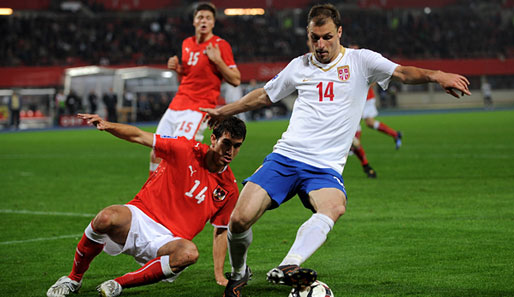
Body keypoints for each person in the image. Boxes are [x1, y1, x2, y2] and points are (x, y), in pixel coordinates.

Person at [200, 4, 470, 297]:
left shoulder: (361, 61)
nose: (320, 45)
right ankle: (239, 274)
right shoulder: (299, 65)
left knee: (334, 206)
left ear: (339, 32)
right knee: (238, 219)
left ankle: (289, 265)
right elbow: (264, 95)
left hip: (324, 167)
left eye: (327, 37)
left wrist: (437, 75)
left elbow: (402, 72)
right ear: (308, 35)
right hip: (286, 157)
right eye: (314, 38)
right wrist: (224, 111)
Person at [46, 114, 247, 297]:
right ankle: (73, 279)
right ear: (213, 139)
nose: (230, 151)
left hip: (168, 241)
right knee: (105, 217)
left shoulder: (229, 189)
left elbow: (220, 231)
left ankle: (118, 284)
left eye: (237, 146)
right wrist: (108, 125)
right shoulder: (185, 149)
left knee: (189, 253)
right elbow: (140, 136)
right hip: (140, 216)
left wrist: (219, 274)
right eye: (226, 143)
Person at [150, 2, 240, 175]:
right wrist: (178, 69)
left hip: (198, 109)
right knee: (156, 152)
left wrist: (218, 60)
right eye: (200, 17)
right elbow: (190, 76)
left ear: (213, 23)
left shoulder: (220, 45)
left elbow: (236, 79)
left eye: (208, 18)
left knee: (179, 153)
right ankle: (152, 195)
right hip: (176, 104)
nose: (204, 21)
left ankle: (185, 195)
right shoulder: (186, 43)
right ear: (194, 22)